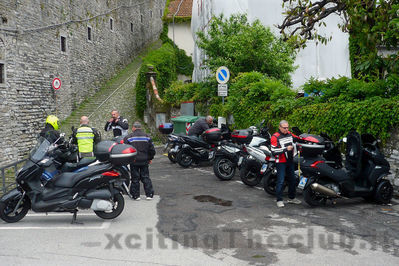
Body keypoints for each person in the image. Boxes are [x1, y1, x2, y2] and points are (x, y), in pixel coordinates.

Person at [270, 120, 302, 208]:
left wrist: (304, 137)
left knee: (292, 180)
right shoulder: (275, 137)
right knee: (280, 181)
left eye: (287, 127)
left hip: (290, 161)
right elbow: (273, 151)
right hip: (280, 162)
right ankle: (279, 200)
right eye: (284, 128)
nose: (286, 129)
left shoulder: (290, 134)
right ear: (280, 127)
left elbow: (298, 138)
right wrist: (285, 149)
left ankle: (291, 198)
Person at [123, 121, 156, 200]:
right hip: (144, 160)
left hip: (134, 161)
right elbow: (152, 150)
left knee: (135, 178)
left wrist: (127, 160)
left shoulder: (128, 137)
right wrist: (150, 158)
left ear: (133, 128)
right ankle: (149, 194)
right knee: (146, 177)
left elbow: (125, 149)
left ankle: (136, 195)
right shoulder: (147, 137)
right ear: (140, 127)